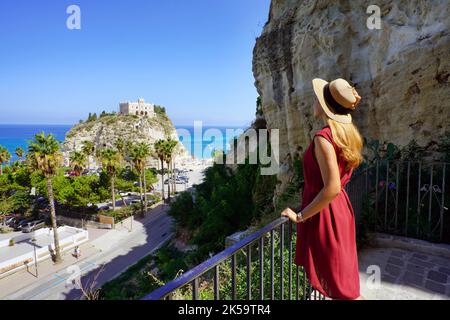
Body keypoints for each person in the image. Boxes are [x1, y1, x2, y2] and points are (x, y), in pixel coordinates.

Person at [281, 78, 365, 300]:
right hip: (339, 212)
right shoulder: (347, 135)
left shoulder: (323, 138)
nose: (314, 100)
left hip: (326, 216)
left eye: (317, 97)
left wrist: (300, 216)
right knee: (345, 286)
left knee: (343, 292)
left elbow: (332, 188)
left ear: (325, 105)